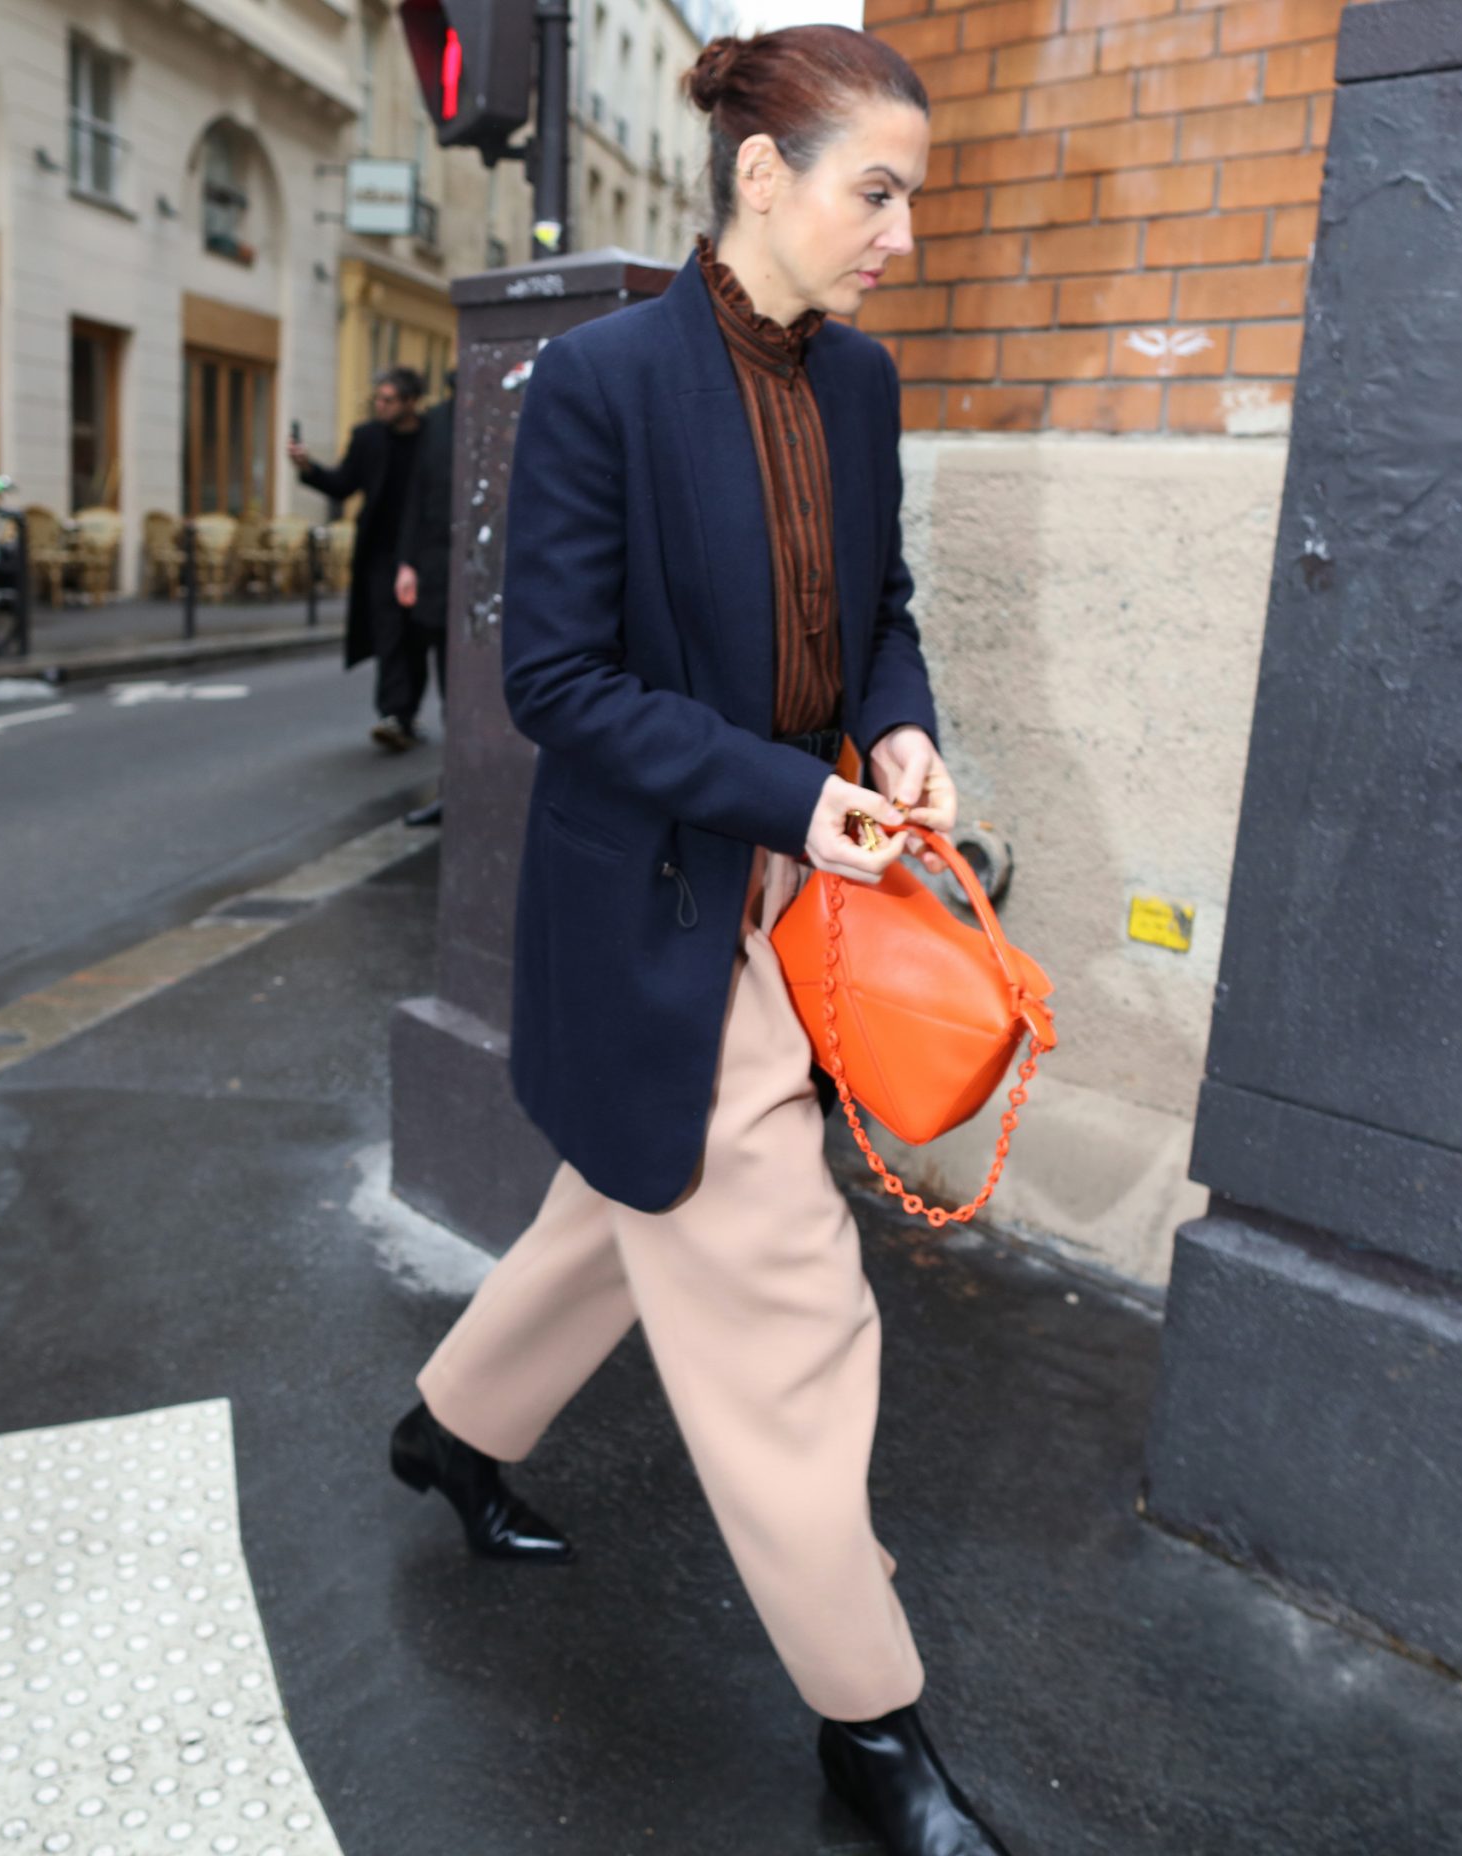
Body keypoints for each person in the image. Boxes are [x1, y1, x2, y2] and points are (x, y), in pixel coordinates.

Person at [387, 25, 1022, 1856]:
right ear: (764, 177)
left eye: (913, 195)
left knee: (618, 1207)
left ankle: (447, 1430)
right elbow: (556, 680)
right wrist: (779, 788)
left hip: (806, 888)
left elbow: (876, 610)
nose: (901, 229)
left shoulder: (866, 386)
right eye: (874, 189)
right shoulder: (597, 383)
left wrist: (892, 722)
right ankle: (871, 1724)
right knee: (786, 1303)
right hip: (666, 901)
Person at [289, 367, 430, 751]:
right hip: (381, 554)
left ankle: (406, 711)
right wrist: (307, 467)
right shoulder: (368, 438)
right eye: (377, 399)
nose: (380, 406)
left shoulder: (433, 436)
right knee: (389, 634)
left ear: (410, 402)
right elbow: (343, 483)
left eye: (388, 400)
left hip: (424, 552)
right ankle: (394, 713)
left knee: (416, 636)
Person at [394, 368, 458, 826]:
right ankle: (452, 790)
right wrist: (407, 562)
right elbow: (415, 496)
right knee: (450, 687)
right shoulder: (438, 423)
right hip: (438, 569)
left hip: (486, 568)